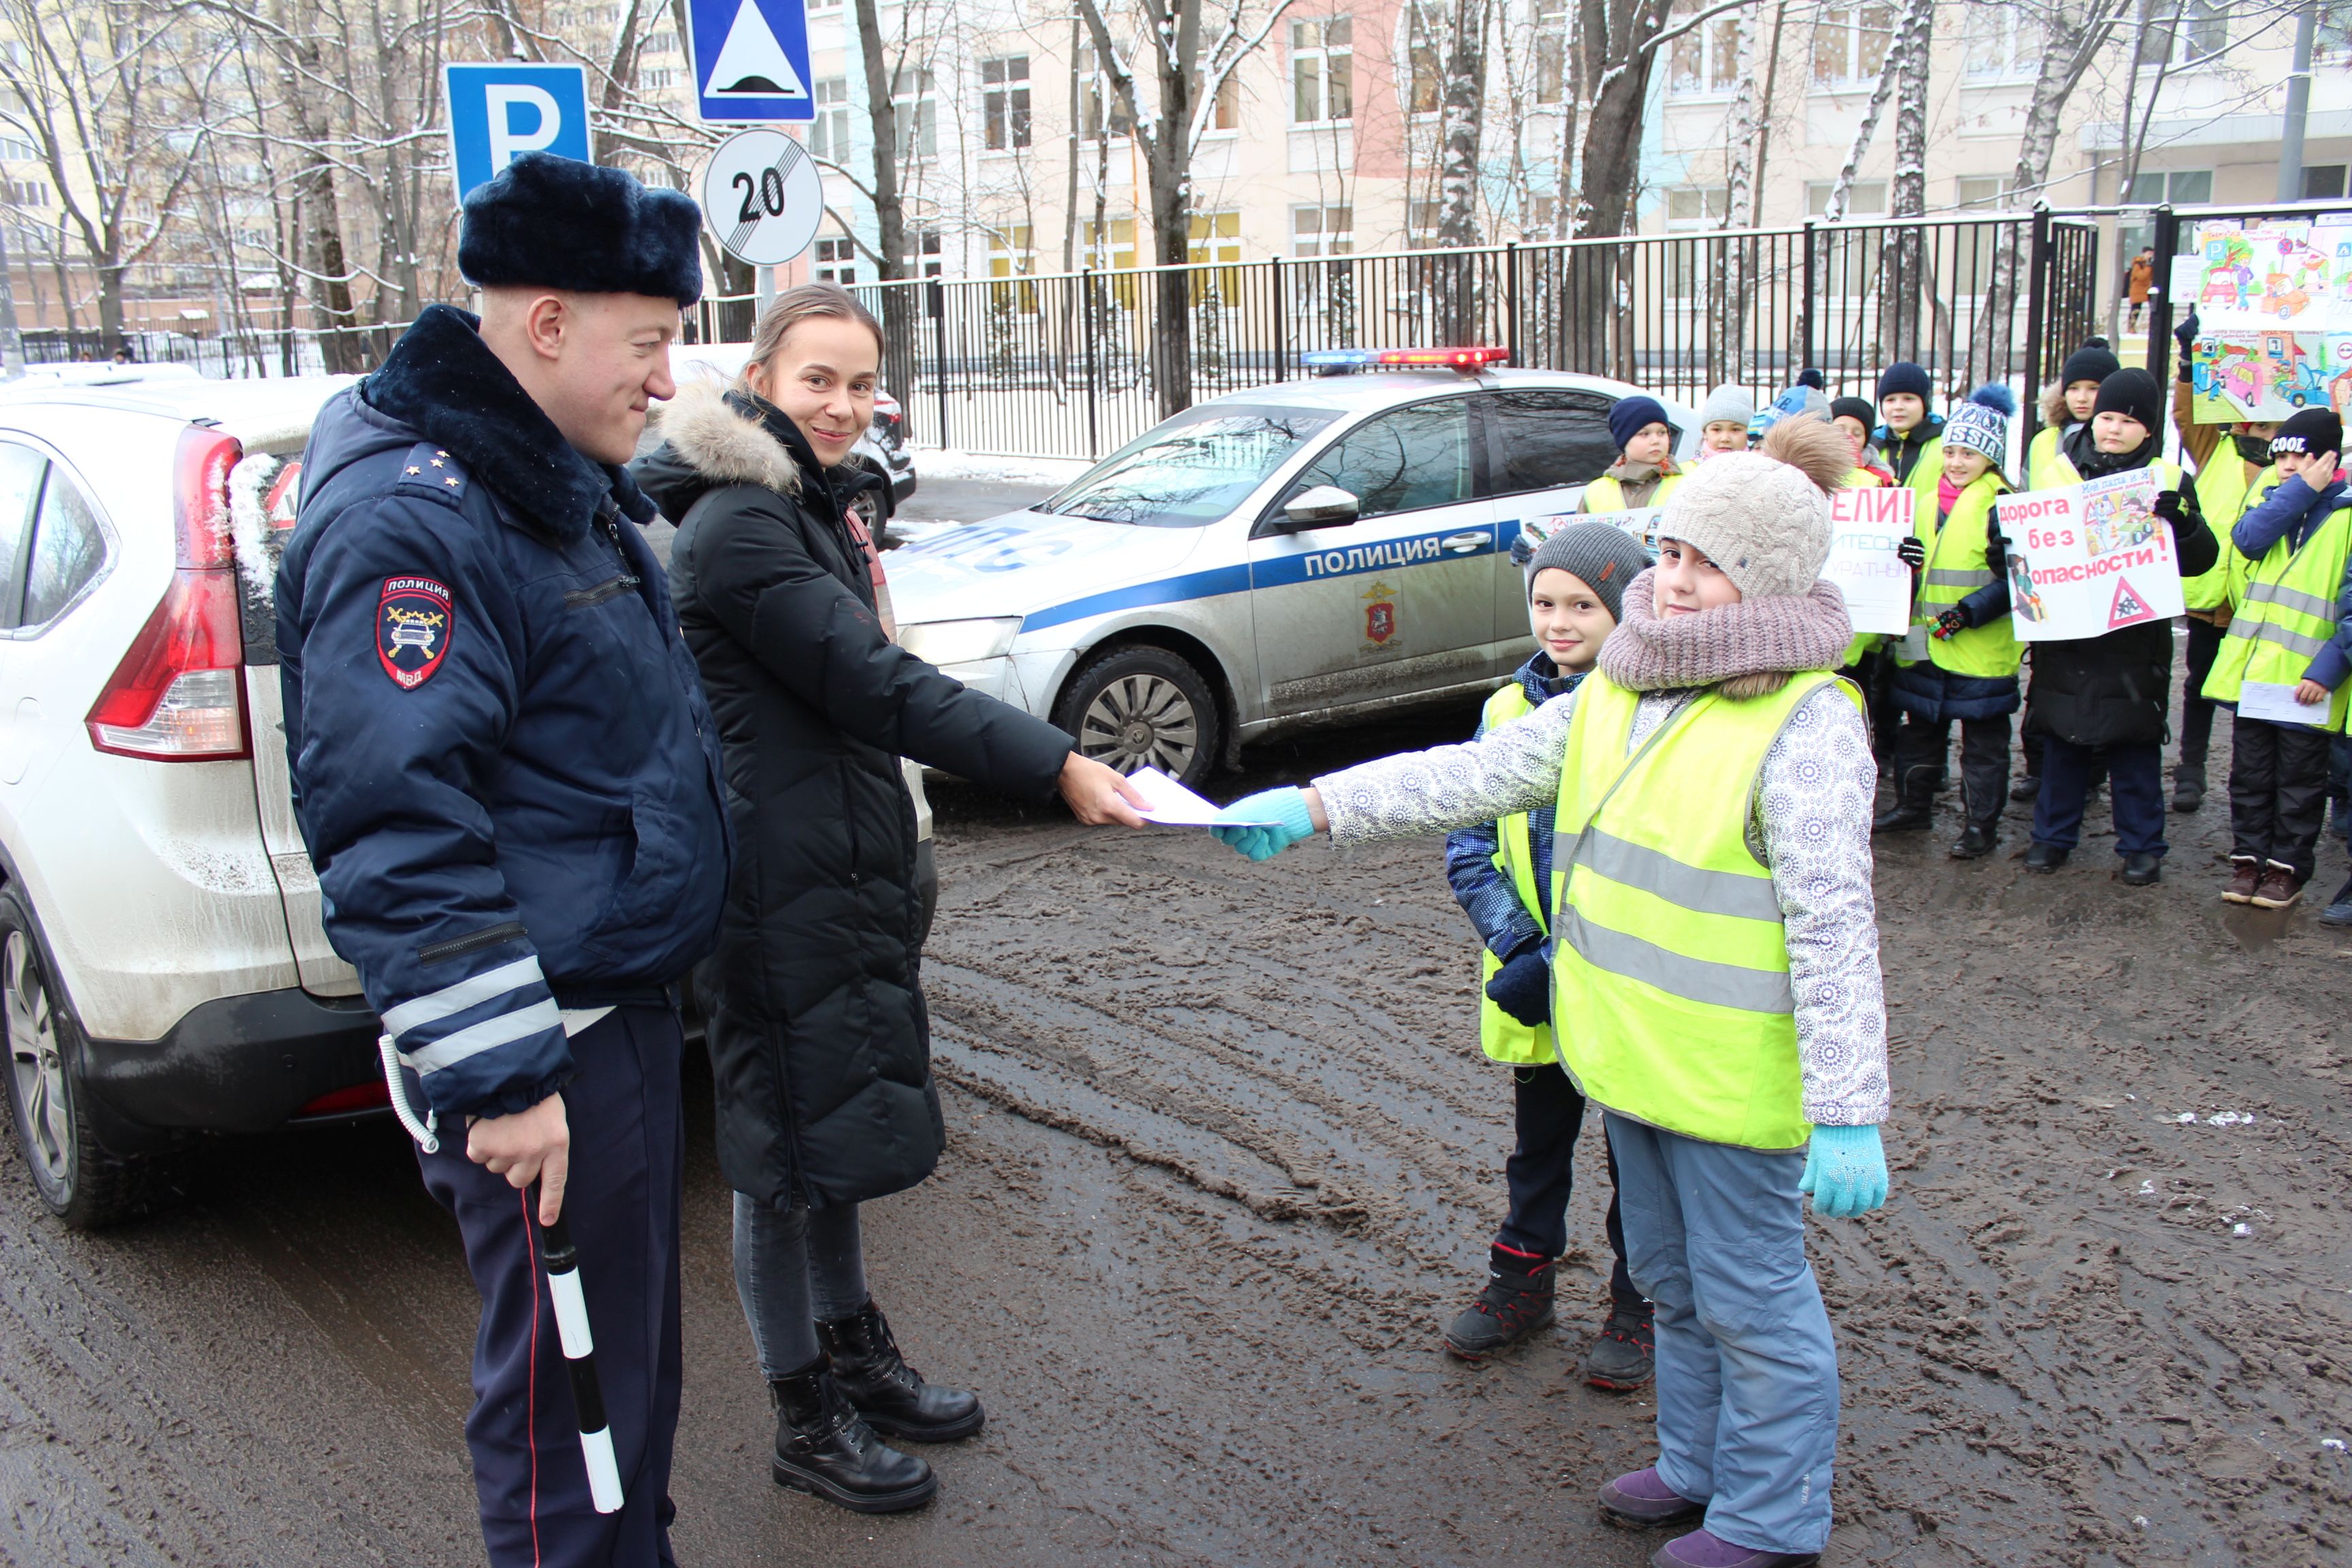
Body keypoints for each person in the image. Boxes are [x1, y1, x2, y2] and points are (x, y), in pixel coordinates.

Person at [1213, 417, 1890, 1568]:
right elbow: (1478, 771)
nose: (1668, 581)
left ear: (1766, 576)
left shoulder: (1806, 719)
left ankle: (1772, 1520)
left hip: (1732, 1079)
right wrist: (1320, 802)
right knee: (1673, 1280)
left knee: (1753, 1299)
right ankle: (1697, 1462)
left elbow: (1834, 924)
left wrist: (1848, 1101)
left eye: (1699, 561)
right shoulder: (1624, 685)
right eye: (1665, 552)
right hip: (1629, 1053)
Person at [277, 153, 731, 1566]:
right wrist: (505, 1074)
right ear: (548, 326)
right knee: (564, 1409)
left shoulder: (539, 475)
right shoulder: (418, 517)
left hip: (607, 1009)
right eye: (649, 344)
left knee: (629, 1387)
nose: (667, 381)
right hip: (544, 1043)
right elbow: (396, 822)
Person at [631, 284, 1147, 1514]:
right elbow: (875, 681)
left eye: (862, 383)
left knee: (836, 1126)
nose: (842, 405)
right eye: (817, 379)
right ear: (760, 374)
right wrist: (1054, 760)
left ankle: (851, 1348)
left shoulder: (808, 506)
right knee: (777, 1151)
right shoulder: (737, 527)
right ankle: (803, 1409)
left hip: (833, 871)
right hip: (767, 883)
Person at [1440, 523, 1656, 1391]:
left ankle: (1641, 1304)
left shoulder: (1655, 716)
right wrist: (1518, 947)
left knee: (1639, 1157)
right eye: (1543, 603)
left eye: (1582, 606)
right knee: (1539, 1148)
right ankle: (1519, 1285)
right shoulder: (1504, 711)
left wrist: (1574, 958)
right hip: (1534, 984)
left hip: (1627, 985)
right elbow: (1467, 842)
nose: (1558, 622)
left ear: (1626, 611)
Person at [2022, 368, 2221, 884]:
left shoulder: (2170, 481)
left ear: (2149, 430)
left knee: (2134, 748)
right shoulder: (2060, 472)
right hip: (2068, 639)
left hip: (2134, 640)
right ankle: (2052, 838)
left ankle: (2142, 846)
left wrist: (2184, 523)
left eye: (2128, 421)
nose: (2113, 429)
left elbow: (2202, 560)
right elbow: (2027, 548)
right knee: (2063, 742)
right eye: (2107, 417)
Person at [2198, 410, 2351, 909]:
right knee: (2251, 775)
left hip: (2308, 683)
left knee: (2300, 784)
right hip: (2256, 678)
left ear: (2329, 458)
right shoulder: (2276, 502)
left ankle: (2287, 869)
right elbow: (2246, 540)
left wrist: (2326, 673)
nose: (2286, 465)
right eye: (2280, 455)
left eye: (2298, 455)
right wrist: (2299, 491)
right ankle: (2248, 862)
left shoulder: (2346, 515)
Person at [1875, 387, 2020, 858]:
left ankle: (1981, 826)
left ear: (1990, 457)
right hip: (1924, 640)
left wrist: (1971, 612)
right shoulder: (1920, 498)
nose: (1957, 462)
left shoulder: (2004, 503)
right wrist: (1907, 558)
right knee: (1920, 730)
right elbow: (1909, 559)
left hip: (1979, 644)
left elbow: (2020, 579)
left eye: (1970, 453)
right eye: (1952, 450)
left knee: (1983, 744)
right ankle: (1913, 807)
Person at [2168, 308, 2277, 813]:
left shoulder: (2297, 460)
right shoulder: (2218, 446)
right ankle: (2191, 771)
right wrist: (2190, 362)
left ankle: (2252, 783)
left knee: (2256, 698)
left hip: (2264, 604)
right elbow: (2186, 415)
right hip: (2213, 600)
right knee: (2200, 685)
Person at [2027, 338, 2119, 490]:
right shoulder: (2043, 441)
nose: (2082, 398)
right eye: (2073, 388)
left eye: (2093, 388)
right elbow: (2025, 492)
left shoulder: (2119, 437)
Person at [1581, 395, 1684, 512]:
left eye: (1662, 432)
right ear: (1624, 440)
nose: (1656, 440)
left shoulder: (1688, 483)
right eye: (1644, 434)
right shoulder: (1596, 492)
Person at [1874, 362, 1944, 505]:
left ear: (1925, 403)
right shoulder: (1872, 446)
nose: (1898, 407)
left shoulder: (1946, 445)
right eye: (1890, 400)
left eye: (1908, 399)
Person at [1829, 397, 1891, 488]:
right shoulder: (1808, 472)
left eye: (1857, 434)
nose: (1848, 437)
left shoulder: (1882, 480)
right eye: (1840, 430)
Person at [1697, 385, 1754, 459]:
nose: (1725, 438)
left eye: (1735, 430)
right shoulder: (1688, 470)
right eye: (1717, 430)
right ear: (1705, 433)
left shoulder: (1762, 469)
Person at [2127, 247, 2155, 333]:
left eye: (2152, 254)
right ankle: (2131, 328)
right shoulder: (2138, 264)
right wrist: (2149, 267)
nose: (2151, 256)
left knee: (2153, 307)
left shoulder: (2149, 265)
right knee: (2136, 309)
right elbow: (2142, 276)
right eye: (2149, 254)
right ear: (2143, 254)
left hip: (2147, 290)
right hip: (2138, 291)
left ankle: (2152, 326)